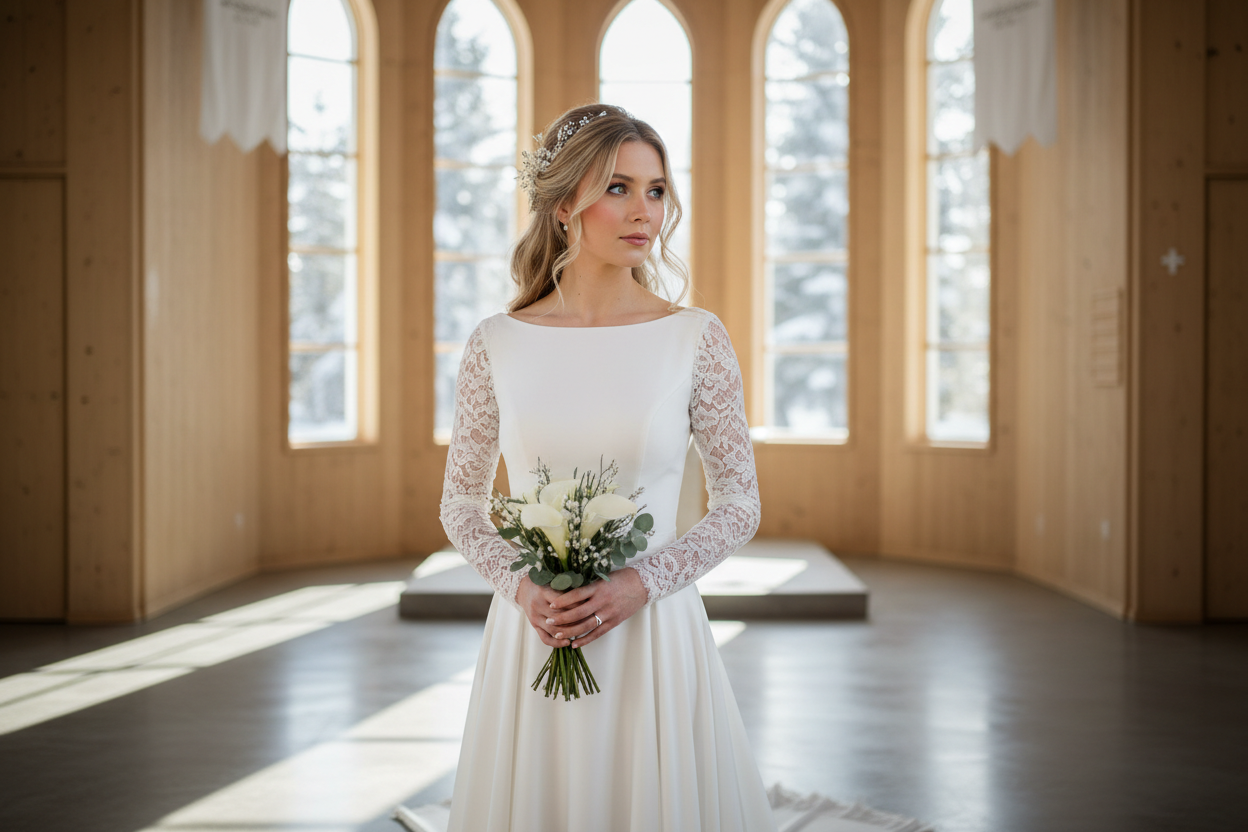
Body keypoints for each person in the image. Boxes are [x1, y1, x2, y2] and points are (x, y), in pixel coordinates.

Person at [437, 103, 777, 832]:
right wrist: (522, 589)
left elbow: (740, 503)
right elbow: (462, 503)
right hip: (535, 630)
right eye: (618, 188)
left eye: (655, 190)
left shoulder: (695, 339)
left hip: (653, 633)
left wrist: (640, 584)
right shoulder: (495, 343)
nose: (643, 211)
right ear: (565, 205)